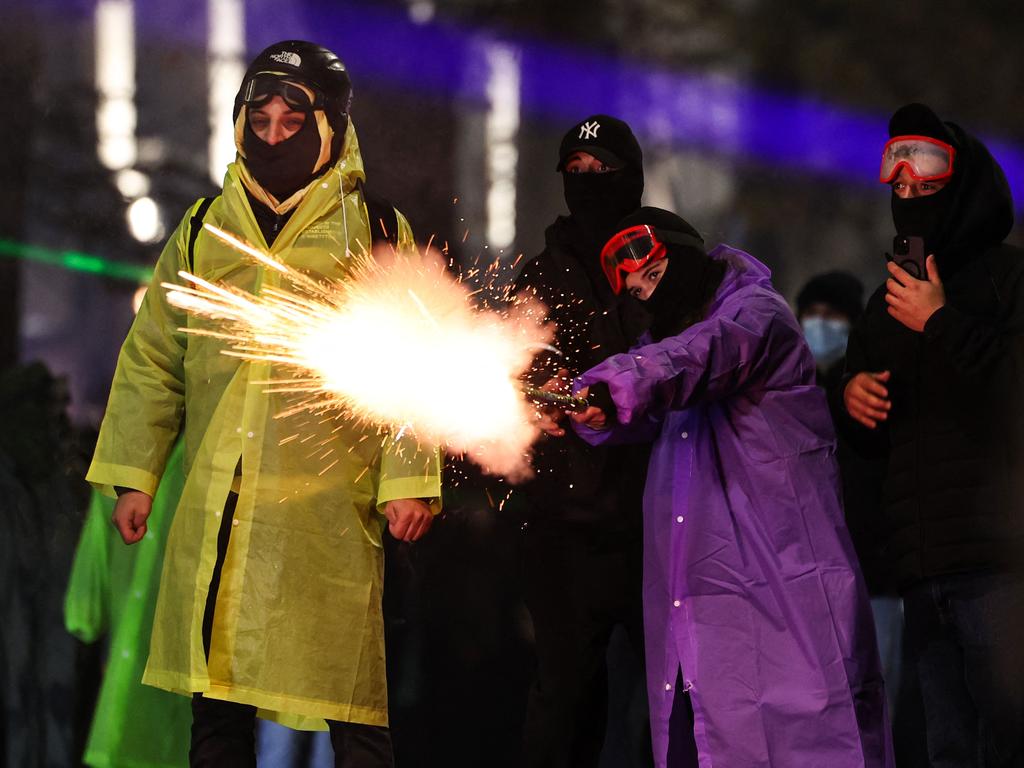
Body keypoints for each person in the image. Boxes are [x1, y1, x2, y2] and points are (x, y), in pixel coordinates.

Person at [86, 40, 441, 767]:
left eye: (293, 121)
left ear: (331, 130)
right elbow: (155, 357)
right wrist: (136, 475)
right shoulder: (203, 226)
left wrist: (409, 481)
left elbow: (416, 360)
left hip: (329, 509)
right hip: (222, 502)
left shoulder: (373, 230)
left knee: (350, 703)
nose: (273, 136)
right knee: (217, 697)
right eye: (261, 119)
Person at [571, 207, 893, 767]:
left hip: (783, 587)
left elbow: (703, 356)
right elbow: (655, 396)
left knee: (810, 742)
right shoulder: (671, 353)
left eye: (653, 273)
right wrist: (590, 407)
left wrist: (613, 385)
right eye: (636, 288)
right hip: (707, 602)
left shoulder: (755, 315)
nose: (647, 293)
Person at [836, 102, 1024, 767]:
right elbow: (863, 430)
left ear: (963, 186)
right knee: (945, 747)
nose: (910, 202)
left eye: (927, 188)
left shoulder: (1007, 278)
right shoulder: (888, 299)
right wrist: (850, 396)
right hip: (922, 569)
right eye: (901, 190)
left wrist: (940, 322)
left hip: (1001, 565)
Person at [510, 114, 652, 767]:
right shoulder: (539, 277)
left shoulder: (661, 264)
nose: (589, 183)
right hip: (565, 526)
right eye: (576, 171)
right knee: (565, 701)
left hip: (659, 521)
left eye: (603, 171)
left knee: (669, 698)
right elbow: (515, 368)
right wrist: (550, 394)